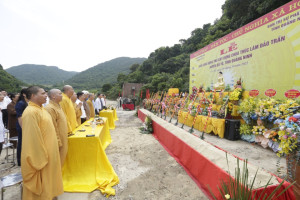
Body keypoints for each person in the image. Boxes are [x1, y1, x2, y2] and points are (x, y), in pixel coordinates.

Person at [21, 86, 63, 200]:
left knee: (50, 181)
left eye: (46, 93)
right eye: (43, 93)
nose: (46, 96)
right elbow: (31, 139)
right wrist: (40, 158)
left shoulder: (41, 109)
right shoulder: (30, 112)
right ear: (33, 96)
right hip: (42, 157)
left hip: (50, 153)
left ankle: (51, 195)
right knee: (43, 182)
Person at [45, 89, 68, 166]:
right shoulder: (50, 108)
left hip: (63, 137)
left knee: (62, 159)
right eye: (60, 94)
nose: (62, 95)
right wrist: (58, 141)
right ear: (53, 96)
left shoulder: (58, 106)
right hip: (58, 140)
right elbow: (53, 127)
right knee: (57, 162)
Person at [15, 88, 28, 166]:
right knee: (21, 142)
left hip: (25, 124)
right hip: (21, 125)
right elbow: (19, 116)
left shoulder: (26, 102)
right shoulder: (21, 103)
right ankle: (20, 161)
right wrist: (23, 127)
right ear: (24, 94)